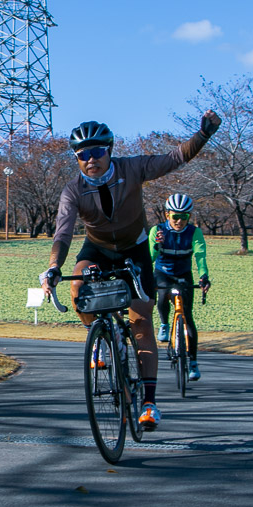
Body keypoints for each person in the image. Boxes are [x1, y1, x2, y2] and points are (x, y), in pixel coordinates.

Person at [40, 114, 221, 431]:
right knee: (77, 287)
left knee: (140, 321)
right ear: (76, 158)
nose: (91, 159)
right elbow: (63, 233)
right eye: (82, 154)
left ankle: (149, 403)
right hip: (97, 248)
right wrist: (54, 266)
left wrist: (204, 134)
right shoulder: (73, 190)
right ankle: (100, 339)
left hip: (134, 249)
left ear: (109, 150)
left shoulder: (132, 169)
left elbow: (173, 158)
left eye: (97, 151)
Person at [149, 193, 211, 380]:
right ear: (167, 215)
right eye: (175, 216)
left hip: (183, 273)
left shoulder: (194, 232)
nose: (179, 221)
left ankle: (193, 362)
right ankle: (164, 324)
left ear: (189, 217)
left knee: (187, 315)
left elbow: (200, 256)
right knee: (163, 293)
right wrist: (156, 246)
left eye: (184, 217)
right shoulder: (157, 230)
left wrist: (204, 276)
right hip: (163, 273)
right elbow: (149, 258)